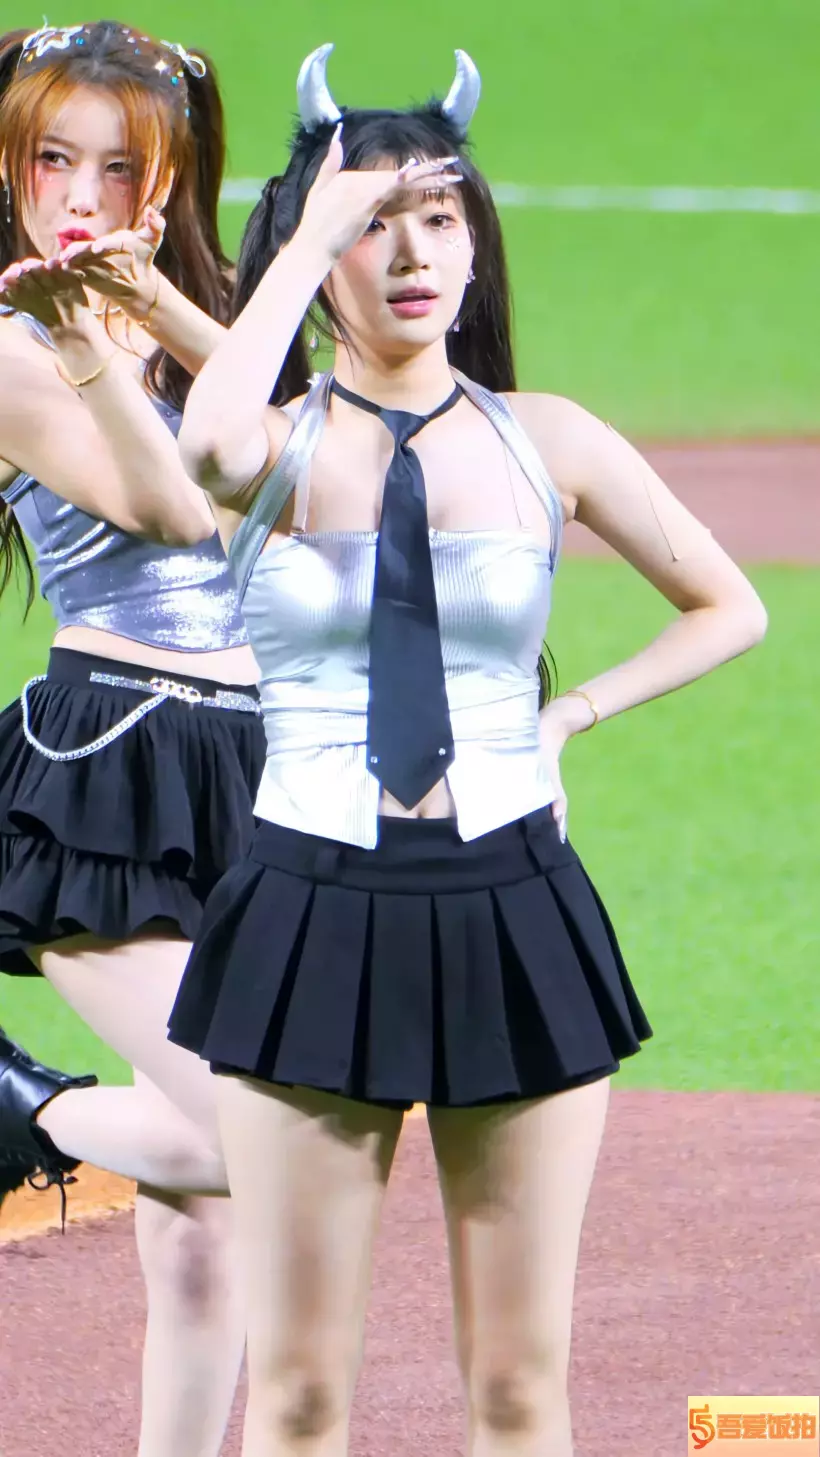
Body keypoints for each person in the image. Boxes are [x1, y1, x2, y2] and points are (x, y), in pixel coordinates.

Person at [180, 42, 760, 1456]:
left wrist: (571, 714)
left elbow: (728, 607)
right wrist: (306, 234)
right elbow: (200, 444)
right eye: (374, 223)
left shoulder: (546, 440)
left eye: (439, 218)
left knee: (516, 1388)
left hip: (514, 904)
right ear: (316, 247)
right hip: (310, 906)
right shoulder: (278, 447)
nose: (412, 254)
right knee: (297, 1394)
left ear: (477, 244)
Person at [0, 21, 265, 1457]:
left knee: (205, 1228)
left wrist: (159, 311)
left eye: (120, 166)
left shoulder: (193, 323)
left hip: (252, 770)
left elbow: (316, 474)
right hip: (106, 771)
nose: (81, 195)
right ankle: (23, 1115)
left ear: (171, 178)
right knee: (254, 1140)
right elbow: (176, 510)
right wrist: (88, 336)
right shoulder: (11, 348)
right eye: (53, 159)